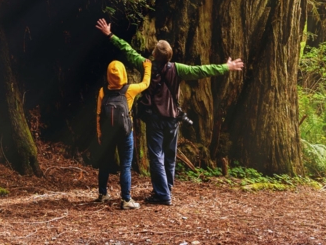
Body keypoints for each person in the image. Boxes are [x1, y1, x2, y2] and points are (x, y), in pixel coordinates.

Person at [96, 18, 244, 206]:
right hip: (173, 118)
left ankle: (163, 194)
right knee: (169, 155)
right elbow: (202, 70)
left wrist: (110, 35)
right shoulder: (178, 69)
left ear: (155, 53)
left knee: (156, 155)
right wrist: (226, 67)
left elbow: (127, 50)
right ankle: (166, 188)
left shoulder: (146, 65)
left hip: (155, 119)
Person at [96, 58, 151, 209]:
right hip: (125, 133)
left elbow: (99, 115)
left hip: (108, 134)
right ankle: (126, 200)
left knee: (104, 164)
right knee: (125, 166)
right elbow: (146, 83)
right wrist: (147, 67)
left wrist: (99, 134)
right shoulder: (130, 90)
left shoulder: (103, 91)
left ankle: (102, 194)